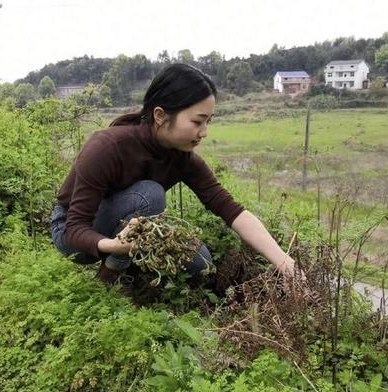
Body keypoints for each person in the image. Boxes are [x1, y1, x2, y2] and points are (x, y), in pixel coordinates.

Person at [51, 63, 296, 284]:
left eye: (209, 121)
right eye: (197, 122)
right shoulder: (107, 147)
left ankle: (136, 269)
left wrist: (285, 263)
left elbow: (232, 211)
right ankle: (110, 275)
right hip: (72, 234)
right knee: (150, 195)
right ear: (160, 115)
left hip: (130, 228)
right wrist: (115, 247)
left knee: (202, 264)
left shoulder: (183, 158)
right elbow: (74, 229)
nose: (204, 132)